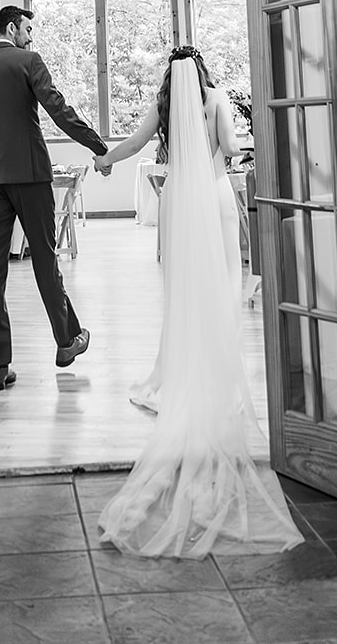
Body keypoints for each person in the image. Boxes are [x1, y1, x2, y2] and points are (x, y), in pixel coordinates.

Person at [93, 45, 303, 559]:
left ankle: (182, 364)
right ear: (204, 71)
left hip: (178, 205)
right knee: (225, 283)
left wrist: (103, 159)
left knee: (183, 287)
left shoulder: (165, 107)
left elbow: (133, 144)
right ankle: (217, 362)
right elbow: (231, 150)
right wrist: (261, 132)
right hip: (212, 199)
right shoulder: (217, 99)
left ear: (171, 76)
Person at [0, 4, 108, 392]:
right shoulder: (28, 62)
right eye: (27, 28)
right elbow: (58, 110)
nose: (30, 36)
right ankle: (66, 341)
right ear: (11, 27)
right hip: (30, 175)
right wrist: (98, 145)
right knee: (43, 256)